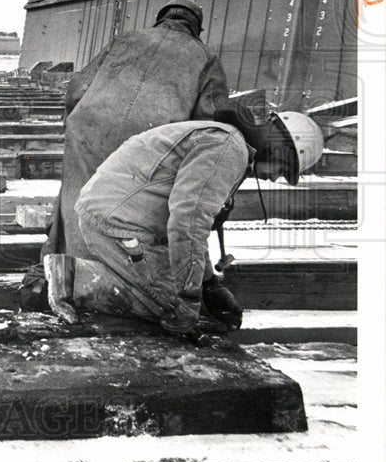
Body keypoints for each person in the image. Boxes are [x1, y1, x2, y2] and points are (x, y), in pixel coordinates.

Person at [43, 107, 325, 344]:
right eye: (283, 169)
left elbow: (193, 224)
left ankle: (105, 276)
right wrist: (189, 294)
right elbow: (187, 222)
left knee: (189, 301)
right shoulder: (228, 149)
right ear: (280, 148)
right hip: (117, 223)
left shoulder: (227, 142)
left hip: (118, 214)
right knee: (171, 306)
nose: (276, 178)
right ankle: (73, 278)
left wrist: (210, 284)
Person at [52, 0, 230, 261]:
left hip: (90, 128)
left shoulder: (124, 39)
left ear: (161, 18)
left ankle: (69, 265)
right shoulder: (205, 57)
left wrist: (74, 123)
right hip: (149, 141)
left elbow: (77, 89)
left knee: (77, 198)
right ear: (196, 27)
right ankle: (124, 273)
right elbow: (208, 120)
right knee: (132, 210)